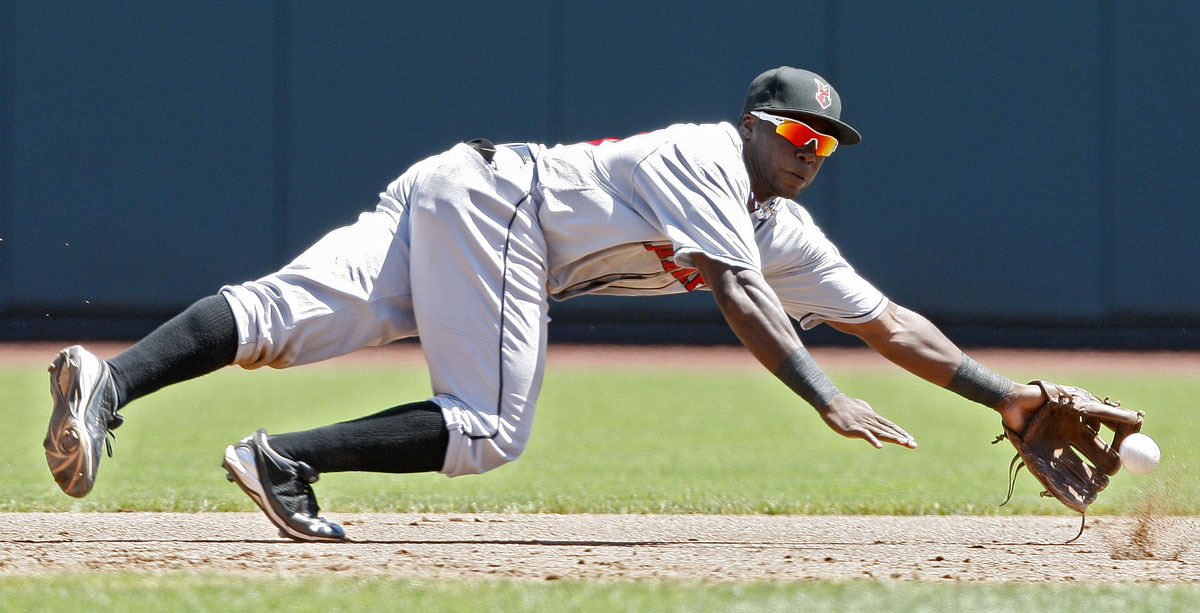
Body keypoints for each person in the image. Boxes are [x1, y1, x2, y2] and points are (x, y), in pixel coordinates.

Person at [43, 66, 1049, 542]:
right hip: (499, 215)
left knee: (281, 321)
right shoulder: (704, 156)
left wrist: (1008, 397)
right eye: (799, 134)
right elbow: (737, 294)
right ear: (754, 124)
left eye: (827, 145)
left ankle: (108, 380)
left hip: (462, 192)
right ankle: (282, 459)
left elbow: (889, 321)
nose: (811, 153)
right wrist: (823, 394)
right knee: (486, 427)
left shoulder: (777, 229)